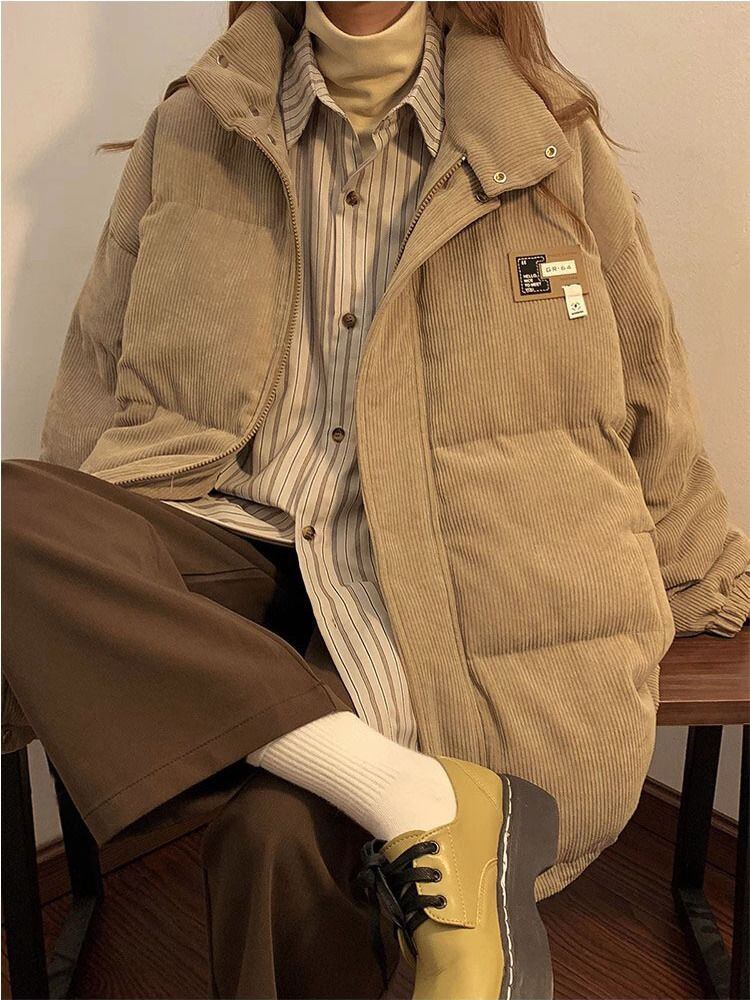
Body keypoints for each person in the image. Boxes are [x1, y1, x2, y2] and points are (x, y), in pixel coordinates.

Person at [3, 2, 749, 998]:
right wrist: (66, 595)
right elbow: (98, 365)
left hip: (424, 560)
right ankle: (422, 798)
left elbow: (648, 373)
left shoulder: (542, 137)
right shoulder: (195, 126)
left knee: (274, 839)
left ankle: (399, 803)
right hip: (227, 535)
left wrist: (700, 576)